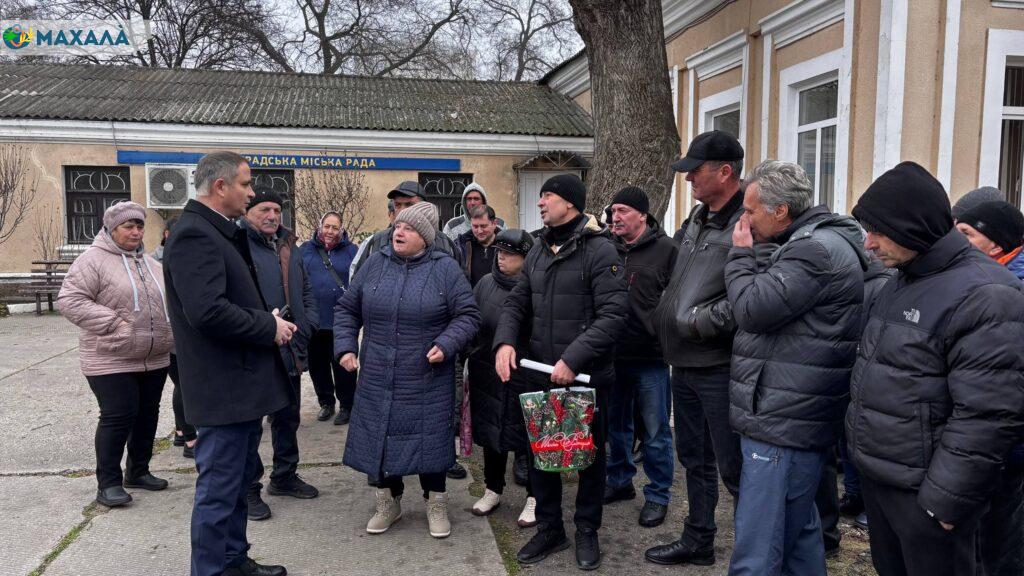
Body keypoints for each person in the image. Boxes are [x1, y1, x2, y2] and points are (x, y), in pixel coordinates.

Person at [846, 161, 1024, 576]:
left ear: (913, 227)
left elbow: (988, 414)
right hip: (885, 485)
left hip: (928, 500)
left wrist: (942, 504)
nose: (868, 244)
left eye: (877, 231)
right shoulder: (902, 279)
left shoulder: (987, 295)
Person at [723, 160, 866, 574]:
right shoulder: (812, 241)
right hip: (792, 411)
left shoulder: (813, 249)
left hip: (783, 419)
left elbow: (751, 309)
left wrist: (740, 255)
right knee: (799, 532)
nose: (744, 219)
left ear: (780, 210)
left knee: (759, 544)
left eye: (750, 210)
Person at [164, 151, 294, 576]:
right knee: (218, 492)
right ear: (220, 187)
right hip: (222, 389)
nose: (252, 192)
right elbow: (207, 312)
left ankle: (232, 560)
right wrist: (266, 327)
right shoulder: (194, 235)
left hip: (239, 386)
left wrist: (264, 320)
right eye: (245, 183)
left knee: (236, 485)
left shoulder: (217, 231)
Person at [494, 174, 628, 571]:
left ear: (569, 203)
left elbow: (614, 316)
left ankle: (587, 528)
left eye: (547, 196)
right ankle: (550, 527)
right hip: (539, 372)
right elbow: (517, 303)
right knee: (541, 455)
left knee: (587, 458)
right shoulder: (537, 249)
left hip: (586, 377)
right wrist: (505, 342)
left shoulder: (600, 250)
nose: (540, 203)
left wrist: (573, 359)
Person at [334, 201, 480, 539]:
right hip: (377, 374)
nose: (399, 232)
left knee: (430, 441)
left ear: (426, 237)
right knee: (380, 438)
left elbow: (468, 316)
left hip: (426, 376)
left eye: (410, 228)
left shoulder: (445, 269)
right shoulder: (375, 264)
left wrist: (446, 344)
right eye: (398, 226)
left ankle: (436, 503)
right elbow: (346, 309)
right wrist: (344, 347)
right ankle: (388, 502)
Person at [646, 130, 746, 567]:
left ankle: (753, 554)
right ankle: (698, 538)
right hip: (682, 361)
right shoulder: (699, 217)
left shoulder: (751, 221)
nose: (688, 181)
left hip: (720, 364)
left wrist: (698, 322)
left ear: (725, 173)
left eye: (695, 172)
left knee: (735, 468)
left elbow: (751, 295)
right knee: (693, 457)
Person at [58, 201, 175, 508]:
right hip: (110, 357)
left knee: (147, 415)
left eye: (139, 226)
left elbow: (168, 303)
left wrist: (170, 331)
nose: (136, 232)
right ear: (111, 229)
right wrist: (115, 325)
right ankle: (108, 483)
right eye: (128, 226)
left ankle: (138, 471)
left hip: (154, 356)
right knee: (118, 415)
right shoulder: (92, 260)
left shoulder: (151, 264)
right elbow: (70, 300)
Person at [240, 188, 320, 521]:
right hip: (256, 348)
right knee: (250, 425)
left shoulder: (290, 246)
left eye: (277, 210)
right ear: (248, 212)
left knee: (288, 417)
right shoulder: (238, 245)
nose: (273, 216)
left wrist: (308, 323)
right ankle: (247, 490)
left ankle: (284, 476)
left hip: (291, 347)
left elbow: (305, 290)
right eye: (264, 210)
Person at [954, 199, 1024, 576]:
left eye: (966, 233)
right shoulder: (985, 276)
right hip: (991, 444)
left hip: (1009, 447)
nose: (956, 240)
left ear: (995, 244)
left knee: (1003, 547)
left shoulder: (1010, 288)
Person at [603, 186, 678, 528]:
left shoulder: (667, 250)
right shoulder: (606, 249)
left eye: (622, 211)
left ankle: (658, 494)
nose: (614, 217)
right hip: (613, 355)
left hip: (651, 358)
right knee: (616, 427)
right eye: (612, 212)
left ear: (642, 216)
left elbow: (678, 300)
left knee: (655, 431)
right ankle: (619, 482)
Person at [467, 228, 538, 527]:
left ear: (525, 258)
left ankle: (536, 497)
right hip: (488, 371)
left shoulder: (536, 287)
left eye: (508, 254)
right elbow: (471, 319)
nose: (501, 258)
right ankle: (492, 489)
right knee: (491, 434)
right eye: (499, 252)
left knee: (530, 437)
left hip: (524, 372)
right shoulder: (485, 283)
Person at [299, 211, 358, 426]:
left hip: (342, 321)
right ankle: (326, 402)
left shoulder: (352, 251)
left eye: (335, 228)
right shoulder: (305, 250)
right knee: (318, 365)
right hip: (314, 320)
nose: (330, 232)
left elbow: (358, 281)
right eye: (327, 226)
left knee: (343, 364)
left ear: (341, 230)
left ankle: (346, 405)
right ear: (319, 226)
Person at [152, 217, 197, 459]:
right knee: (183, 384)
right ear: (168, 234)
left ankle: (183, 430)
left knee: (186, 384)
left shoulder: (187, 257)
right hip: (170, 333)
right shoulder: (153, 262)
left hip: (189, 331)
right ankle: (189, 436)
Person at [349, 180, 461, 277]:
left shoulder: (446, 244)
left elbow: (460, 288)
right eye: (397, 205)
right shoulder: (375, 243)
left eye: (409, 205)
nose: (403, 211)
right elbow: (356, 285)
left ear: (424, 206)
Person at [458, 204, 502, 287]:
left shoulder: (505, 246)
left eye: (483, 226)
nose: (479, 231)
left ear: (494, 223)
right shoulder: (462, 246)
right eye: (475, 226)